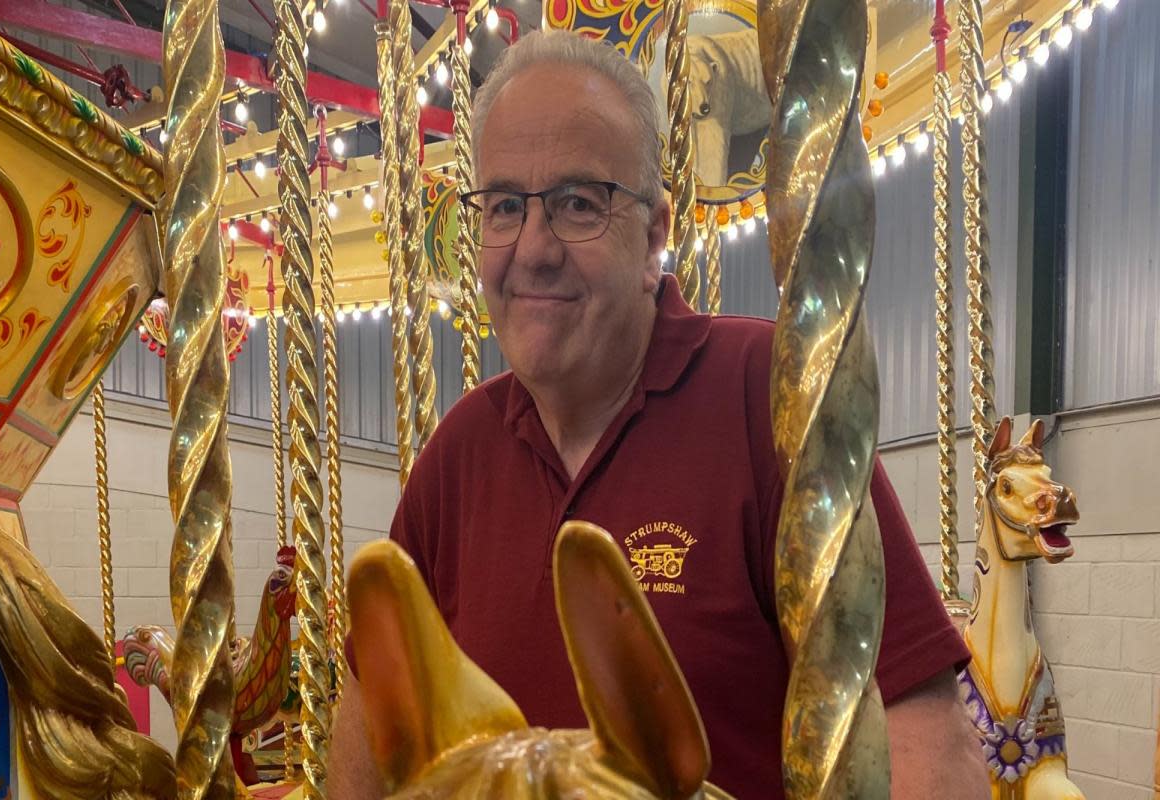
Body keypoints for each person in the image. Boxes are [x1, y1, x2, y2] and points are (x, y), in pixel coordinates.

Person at [329, 29, 988, 799]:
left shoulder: (768, 400)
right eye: (504, 207)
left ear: (654, 234)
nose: (533, 248)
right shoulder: (458, 455)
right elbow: (370, 728)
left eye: (579, 203)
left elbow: (922, 735)